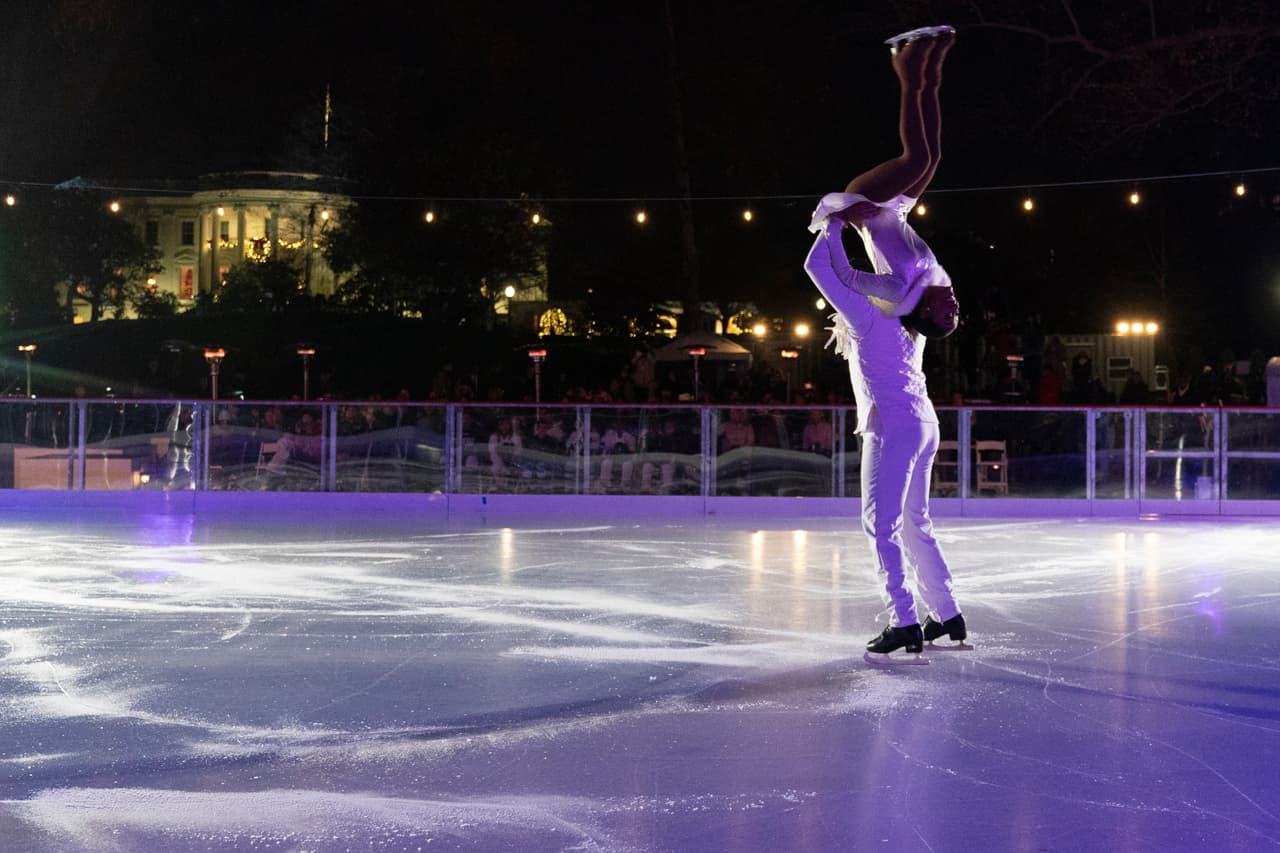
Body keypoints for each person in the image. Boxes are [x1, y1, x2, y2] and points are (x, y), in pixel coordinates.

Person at [803, 24, 966, 661]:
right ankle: (944, 613)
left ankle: (904, 619)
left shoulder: (892, 305)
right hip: (919, 422)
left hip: (900, 423)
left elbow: (829, 273)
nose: (954, 304)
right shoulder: (898, 321)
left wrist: (837, 223)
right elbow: (841, 282)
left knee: (883, 522)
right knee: (928, 159)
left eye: (948, 308)